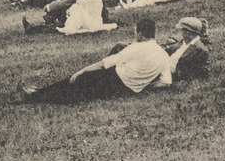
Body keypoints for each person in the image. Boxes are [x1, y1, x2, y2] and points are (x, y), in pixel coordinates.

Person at [17, 18, 172, 104]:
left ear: (139, 33)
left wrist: (82, 70)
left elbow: (106, 63)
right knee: (78, 89)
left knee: (75, 81)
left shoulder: (137, 47)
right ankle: (37, 92)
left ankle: (34, 96)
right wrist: (143, 85)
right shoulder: (163, 55)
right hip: (128, 88)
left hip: (115, 78)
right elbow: (166, 82)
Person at [159, 16, 212, 82]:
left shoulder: (200, 50)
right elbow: (169, 48)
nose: (181, 32)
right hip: (163, 71)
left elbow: (202, 73)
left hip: (172, 77)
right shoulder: (183, 43)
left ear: (188, 32)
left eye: (182, 30)